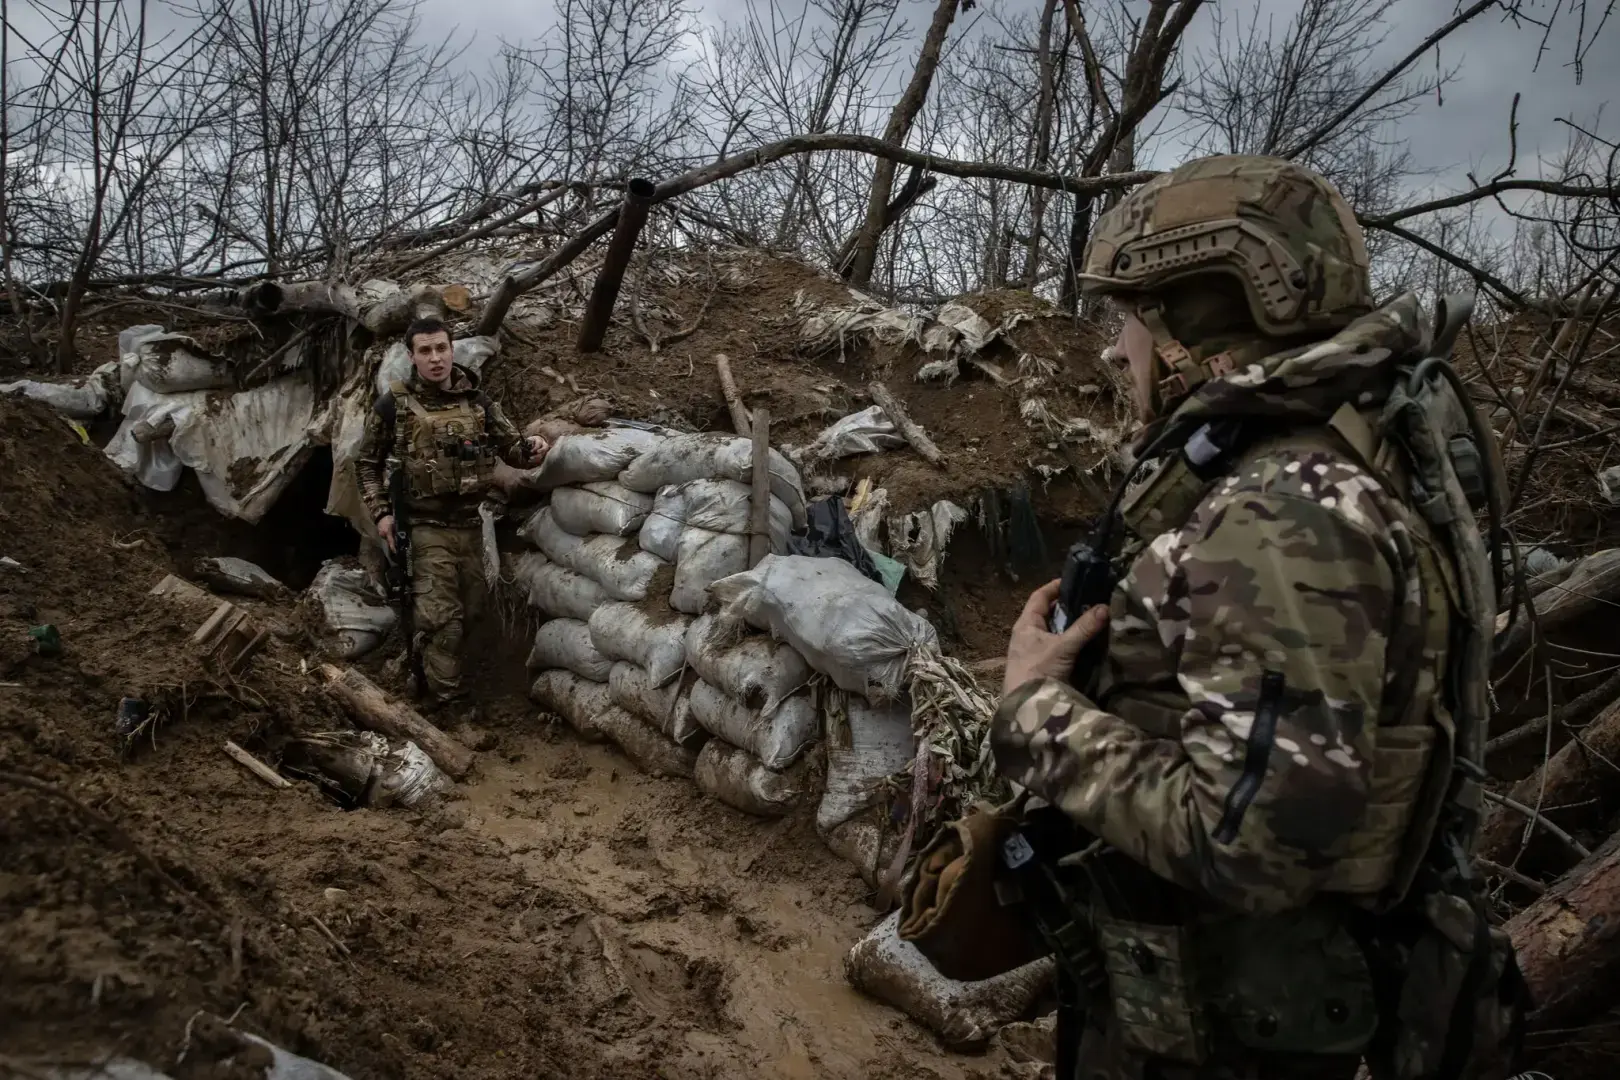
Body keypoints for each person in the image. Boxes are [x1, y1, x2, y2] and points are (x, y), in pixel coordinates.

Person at [989, 155, 1527, 1079]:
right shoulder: (1346, 461)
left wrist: (1035, 714)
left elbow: (1255, 845)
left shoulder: (1283, 511)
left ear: (1201, 328)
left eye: (1130, 322)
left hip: (1230, 1025)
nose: (1117, 352)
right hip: (1244, 1003)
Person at [356, 318, 546, 720]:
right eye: (425, 351)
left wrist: (535, 447)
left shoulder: (476, 401)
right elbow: (367, 464)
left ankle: (422, 673)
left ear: (452, 349)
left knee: (474, 612)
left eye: (441, 348)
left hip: (471, 525)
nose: (435, 358)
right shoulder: (394, 404)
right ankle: (450, 709)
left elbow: (513, 449)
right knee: (443, 620)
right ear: (412, 357)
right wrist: (382, 514)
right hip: (424, 528)